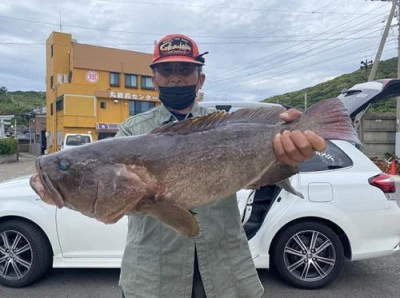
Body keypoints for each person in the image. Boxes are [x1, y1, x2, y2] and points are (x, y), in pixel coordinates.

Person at [116, 33, 326, 298]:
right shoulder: (130, 133)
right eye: (166, 71)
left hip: (225, 269)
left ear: (200, 79)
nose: (175, 78)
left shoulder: (229, 126)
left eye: (185, 70)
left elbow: (255, 178)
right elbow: (118, 197)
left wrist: (290, 156)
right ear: (155, 81)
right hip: (152, 275)